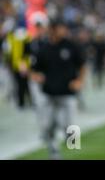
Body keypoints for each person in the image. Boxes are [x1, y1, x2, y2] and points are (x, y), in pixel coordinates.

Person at [31, 19, 87, 159]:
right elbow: (35, 69)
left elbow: (82, 64)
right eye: (61, 28)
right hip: (49, 93)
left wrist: (80, 81)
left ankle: (73, 145)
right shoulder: (44, 48)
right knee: (47, 124)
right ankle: (53, 149)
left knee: (69, 124)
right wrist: (36, 76)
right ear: (53, 29)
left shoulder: (71, 46)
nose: (64, 31)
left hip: (67, 92)